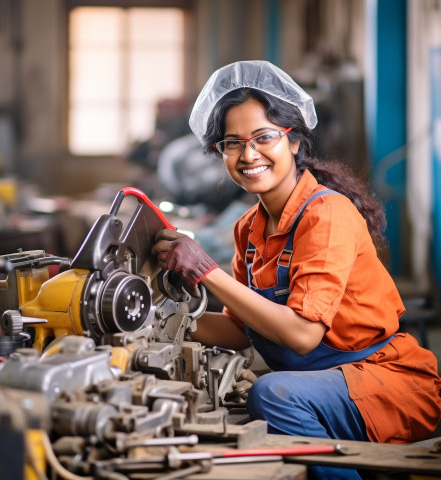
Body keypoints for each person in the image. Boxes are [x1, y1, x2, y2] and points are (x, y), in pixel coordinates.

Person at [151, 60, 441, 480]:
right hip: (324, 384)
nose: (248, 155)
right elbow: (240, 329)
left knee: (272, 394)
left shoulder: (326, 215)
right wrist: (159, 321)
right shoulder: (247, 228)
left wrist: (205, 271)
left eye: (263, 137)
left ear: (294, 141)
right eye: (232, 143)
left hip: (385, 383)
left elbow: (303, 335)